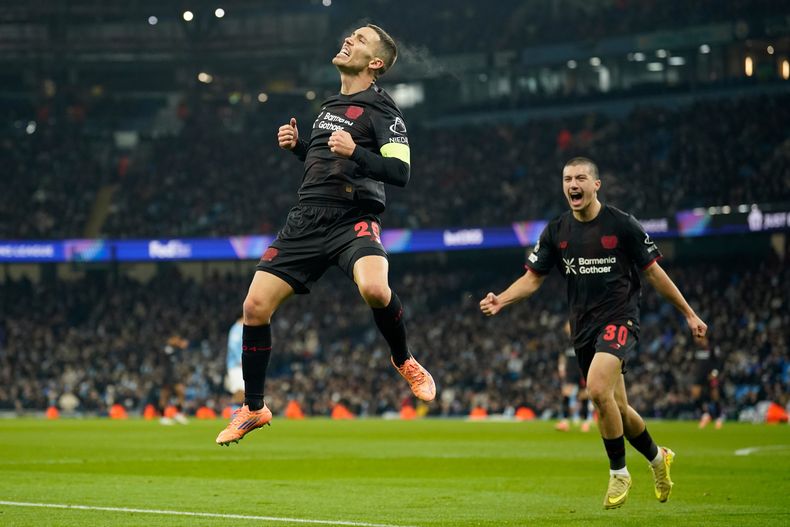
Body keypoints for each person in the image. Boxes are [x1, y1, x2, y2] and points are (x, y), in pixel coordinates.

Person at [216, 24, 435, 446]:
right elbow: (322, 162)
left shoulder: (384, 111)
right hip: (305, 219)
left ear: (375, 63)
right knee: (254, 306)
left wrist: (358, 152)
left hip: (353, 217)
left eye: (360, 39)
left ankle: (404, 359)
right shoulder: (329, 105)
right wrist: (299, 147)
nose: (348, 39)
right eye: (349, 35)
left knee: (374, 289)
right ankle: (255, 407)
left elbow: (401, 172)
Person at [480, 157, 708, 509]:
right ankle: (657, 458)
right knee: (617, 406)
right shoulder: (557, 231)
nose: (574, 184)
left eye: (581, 178)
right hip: (583, 329)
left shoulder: (622, 225)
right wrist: (502, 300)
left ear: (596, 185)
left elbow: (653, 273)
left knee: (597, 390)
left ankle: (619, 472)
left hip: (620, 319)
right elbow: (533, 278)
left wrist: (689, 313)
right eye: (568, 178)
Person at [556, 321, 594, 433]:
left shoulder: (583, 337)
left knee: (583, 395)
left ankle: (586, 421)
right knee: (566, 393)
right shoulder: (565, 341)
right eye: (567, 325)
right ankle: (564, 421)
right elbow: (562, 355)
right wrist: (561, 368)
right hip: (570, 370)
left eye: (570, 325)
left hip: (581, 370)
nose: (567, 327)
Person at [159, 335, 189, 425]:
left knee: (181, 392)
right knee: (165, 395)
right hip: (167, 375)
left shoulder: (177, 351)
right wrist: (180, 345)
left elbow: (180, 361)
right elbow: (166, 355)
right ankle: (163, 417)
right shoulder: (167, 349)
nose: (177, 341)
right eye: (175, 339)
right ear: (171, 339)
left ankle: (178, 414)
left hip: (175, 375)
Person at [224, 317, 244, 406]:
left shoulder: (241, 328)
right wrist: (240, 359)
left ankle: (237, 413)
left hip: (239, 365)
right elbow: (232, 345)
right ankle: (235, 414)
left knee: (242, 390)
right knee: (239, 390)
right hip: (236, 365)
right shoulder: (236, 329)